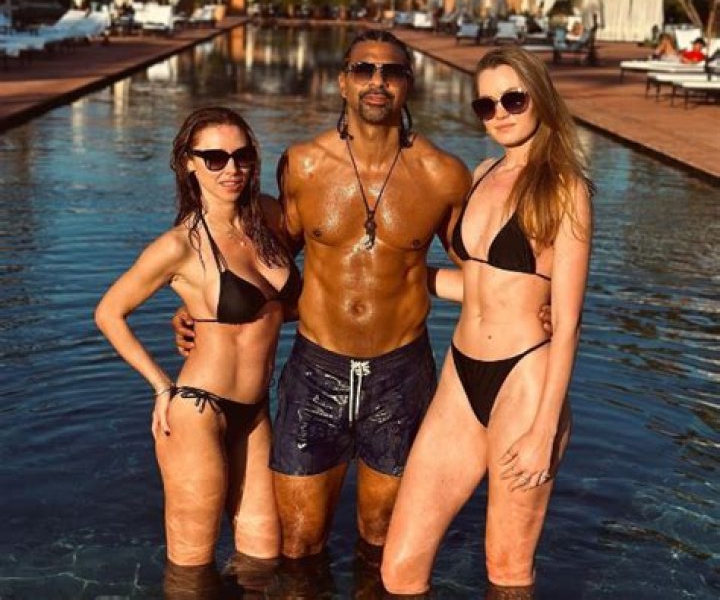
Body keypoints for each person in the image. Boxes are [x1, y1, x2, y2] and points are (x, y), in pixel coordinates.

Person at [174, 30, 473, 561]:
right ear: (342, 82)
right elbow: (264, 259)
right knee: (298, 545)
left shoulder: (444, 175)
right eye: (364, 70)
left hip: (400, 374)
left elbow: (476, 267)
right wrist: (201, 306)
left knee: (383, 539)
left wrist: (530, 305)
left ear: (409, 83)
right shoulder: (303, 165)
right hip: (316, 371)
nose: (377, 82)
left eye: (391, 71)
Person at [381, 46, 593, 598]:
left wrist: (544, 429)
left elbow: (568, 320)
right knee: (398, 570)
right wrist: (392, 273)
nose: (499, 113)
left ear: (539, 98)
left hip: (525, 382)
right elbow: (476, 284)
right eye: (486, 104)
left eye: (513, 100)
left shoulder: (565, 189)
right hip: (461, 374)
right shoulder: (482, 173)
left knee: (507, 571)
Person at [95, 106, 300, 567]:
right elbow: (109, 313)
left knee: (263, 559)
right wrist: (161, 385)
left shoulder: (267, 218)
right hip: (198, 411)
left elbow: (278, 306)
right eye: (215, 158)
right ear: (189, 163)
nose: (232, 169)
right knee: (192, 568)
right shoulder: (180, 245)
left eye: (242, 156)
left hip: (255, 413)